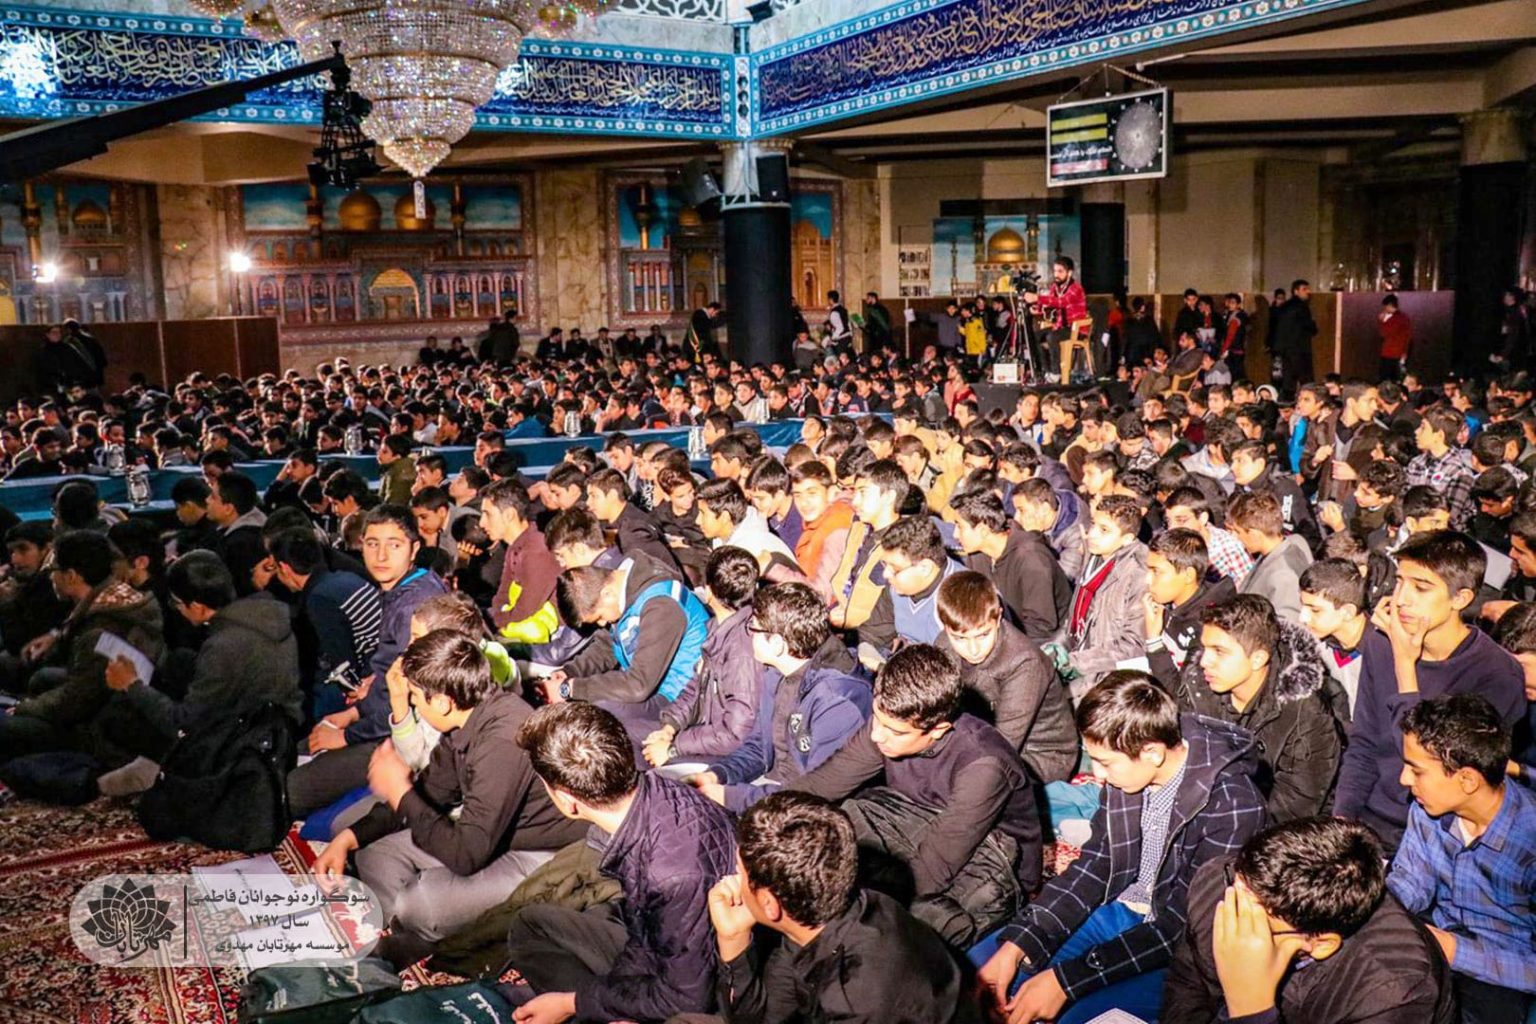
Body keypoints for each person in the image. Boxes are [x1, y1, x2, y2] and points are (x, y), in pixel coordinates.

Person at [974, 671, 1267, 1024]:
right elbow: (1095, 865)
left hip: (1178, 952)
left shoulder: (1234, 807)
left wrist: (1066, 981)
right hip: (1115, 909)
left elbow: (1181, 927)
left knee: (1074, 1018)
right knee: (977, 971)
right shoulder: (1130, 769)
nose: (1097, 775)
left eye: (1105, 762)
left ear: (1152, 753)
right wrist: (1020, 942)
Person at [312, 630, 586, 967]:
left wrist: (400, 792)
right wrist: (347, 838)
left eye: (415, 697)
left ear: (442, 702)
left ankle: (425, 927)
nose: (412, 703)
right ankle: (419, 927)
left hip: (540, 854)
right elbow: (431, 791)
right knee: (374, 851)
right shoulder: (467, 720)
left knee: (420, 903)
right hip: (491, 839)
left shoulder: (503, 741)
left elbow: (466, 854)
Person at [778, 644, 1039, 946]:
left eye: (895, 732)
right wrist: (763, 818)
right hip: (920, 818)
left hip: (993, 855)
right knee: (832, 827)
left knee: (910, 925)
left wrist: (845, 914)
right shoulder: (890, 722)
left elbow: (933, 868)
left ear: (938, 730)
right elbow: (825, 782)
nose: (877, 735)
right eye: (877, 719)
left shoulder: (984, 764)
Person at [501, 702, 737, 1023]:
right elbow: (645, 941)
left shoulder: (670, 874)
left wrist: (572, 1003)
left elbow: (687, 997)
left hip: (710, 998)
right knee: (530, 925)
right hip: (670, 953)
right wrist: (606, 996)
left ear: (567, 801)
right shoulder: (660, 791)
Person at [701, 792, 972, 1024]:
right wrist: (733, 939)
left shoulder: (855, 1001)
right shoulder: (825, 912)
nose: (732, 879)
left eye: (739, 872)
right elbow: (766, 1017)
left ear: (769, 904)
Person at [1333, 531, 1526, 852]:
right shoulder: (1382, 643)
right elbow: (1364, 743)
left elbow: (1434, 765)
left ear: (1460, 599)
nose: (1401, 599)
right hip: (1369, 820)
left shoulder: (1496, 674)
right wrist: (1342, 819)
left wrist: (1405, 667)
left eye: (1421, 588)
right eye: (1400, 582)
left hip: (1438, 835)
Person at [1163, 816, 1456, 1024]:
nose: (1233, 913)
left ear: (1321, 944)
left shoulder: (1393, 991)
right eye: (1236, 891)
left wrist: (1251, 1009)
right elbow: (1187, 984)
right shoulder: (1220, 884)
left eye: (1257, 924)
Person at [287, 505, 449, 819]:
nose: (381, 556)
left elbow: (400, 700)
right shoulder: (404, 588)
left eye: (394, 545)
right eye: (372, 544)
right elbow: (385, 676)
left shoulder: (415, 605)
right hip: (382, 717)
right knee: (303, 748)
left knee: (293, 789)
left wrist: (346, 735)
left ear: (414, 549)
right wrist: (354, 712)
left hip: (409, 734)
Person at [1388, 695, 1536, 1024]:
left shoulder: (1529, 840)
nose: (1404, 780)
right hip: (1436, 934)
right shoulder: (1427, 810)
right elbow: (1410, 883)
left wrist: (1456, 951)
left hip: (1500, 973)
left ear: (1467, 779)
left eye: (1416, 770)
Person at [99, 552, 301, 791]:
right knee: (180, 662)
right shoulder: (267, 613)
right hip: (278, 727)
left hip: (245, 748)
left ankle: (164, 771)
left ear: (197, 606)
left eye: (176, 603)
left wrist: (131, 684)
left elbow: (184, 725)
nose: (176, 610)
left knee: (117, 719)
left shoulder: (224, 646)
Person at [699, 582, 871, 810]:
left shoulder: (838, 700)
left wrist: (731, 798)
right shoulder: (777, 673)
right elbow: (759, 747)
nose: (748, 635)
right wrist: (717, 774)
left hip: (807, 810)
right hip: (773, 790)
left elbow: (816, 793)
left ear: (777, 644)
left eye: (753, 628)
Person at [1174, 594, 1346, 822]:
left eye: (1219, 651)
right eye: (1205, 648)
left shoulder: (1306, 713)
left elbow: (1292, 809)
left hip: (1272, 830)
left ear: (1258, 659)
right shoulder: (1197, 686)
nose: (1205, 661)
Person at [0, 531, 165, 767]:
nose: (51, 577)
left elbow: (76, 701)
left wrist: (25, 708)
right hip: (114, 705)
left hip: (100, 731)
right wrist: (57, 636)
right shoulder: (115, 599)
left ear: (71, 576)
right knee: (42, 678)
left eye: (53, 570)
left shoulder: (102, 630)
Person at [934, 570, 1078, 783]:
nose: (973, 649)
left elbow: (1002, 745)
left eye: (983, 635)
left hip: (1039, 755)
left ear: (999, 616)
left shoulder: (1024, 662)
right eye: (960, 638)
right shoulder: (943, 644)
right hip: (978, 734)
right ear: (945, 627)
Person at [542, 554, 711, 731]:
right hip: (653, 686)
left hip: (683, 700)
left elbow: (638, 685)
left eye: (599, 617)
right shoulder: (625, 589)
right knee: (589, 706)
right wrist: (570, 672)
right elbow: (607, 647)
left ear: (607, 594)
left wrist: (570, 688)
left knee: (599, 715)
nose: (602, 624)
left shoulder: (661, 605)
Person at [644, 546, 762, 768]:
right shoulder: (718, 629)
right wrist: (669, 728)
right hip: (707, 734)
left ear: (708, 592)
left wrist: (674, 748)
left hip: (731, 757)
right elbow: (695, 689)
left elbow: (736, 734)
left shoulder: (742, 651)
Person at [268, 527, 382, 720]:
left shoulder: (320, 598)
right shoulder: (345, 578)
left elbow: (342, 662)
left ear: (285, 568)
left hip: (371, 678)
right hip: (381, 664)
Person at [1059, 494, 1149, 699]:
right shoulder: (1095, 555)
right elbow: (1076, 618)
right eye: (1093, 524)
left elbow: (1133, 645)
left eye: (1104, 530)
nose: (1092, 534)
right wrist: (1059, 647)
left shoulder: (1137, 573)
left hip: (1110, 681)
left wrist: (1076, 662)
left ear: (1127, 539)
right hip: (1082, 663)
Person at [950, 489, 1070, 641]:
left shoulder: (1031, 558)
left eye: (960, 526)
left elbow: (1040, 628)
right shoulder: (977, 555)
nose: (954, 534)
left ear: (983, 530)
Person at [480, 479, 562, 645]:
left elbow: (525, 611)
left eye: (487, 514)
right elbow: (501, 596)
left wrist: (490, 623)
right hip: (519, 627)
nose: (482, 523)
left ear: (509, 514)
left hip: (552, 640)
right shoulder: (516, 546)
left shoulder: (536, 550)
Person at [879, 515, 965, 650]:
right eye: (885, 564)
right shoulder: (897, 585)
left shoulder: (964, 598)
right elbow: (873, 633)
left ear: (925, 568)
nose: (885, 574)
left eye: (895, 569)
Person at [1299, 557, 1371, 714]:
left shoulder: (1385, 651)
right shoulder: (1319, 646)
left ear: (1347, 612)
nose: (1302, 618)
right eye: (1302, 606)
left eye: (1315, 610)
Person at [1230, 490, 1314, 624]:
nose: (1234, 537)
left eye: (1237, 531)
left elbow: (1288, 626)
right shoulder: (1296, 541)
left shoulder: (1282, 576)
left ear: (1254, 534)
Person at [1271, 279, 1318, 395]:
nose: (1308, 292)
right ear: (1296, 291)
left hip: (1286, 350)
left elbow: (1277, 328)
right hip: (1301, 349)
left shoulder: (1284, 307)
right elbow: (1309, 326)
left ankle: (1287, 401)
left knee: (1288, 380)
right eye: (1304, 289)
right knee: (1306, 381)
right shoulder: (1302, 307)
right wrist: (1313, 326)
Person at [1379, 293, 1413, 380]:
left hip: (1389, 353)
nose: (1384, 309)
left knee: (1386, 378)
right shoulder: (1405, 318)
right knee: (1397, 378)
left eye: (1385, 307)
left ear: (1389, 305)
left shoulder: (1393, 319)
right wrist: (1405, 352)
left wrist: (1382, 321)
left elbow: (1383, 333)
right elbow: (1408, 336)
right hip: (1400, 353)